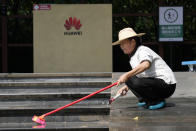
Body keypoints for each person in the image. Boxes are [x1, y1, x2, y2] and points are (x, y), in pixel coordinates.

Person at [113, 27, 176, 110]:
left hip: (167, 85)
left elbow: (146, 65)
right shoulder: (132, 57)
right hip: (156, 83)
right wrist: (127, 87)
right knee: (130, 79)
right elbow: (139, 77)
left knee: (129, 77)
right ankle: (145, 100)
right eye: (120, 44)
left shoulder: (142, 50)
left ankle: (156, 101)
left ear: (133, 42)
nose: (121, 47)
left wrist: (126, 75)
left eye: (123, 43)